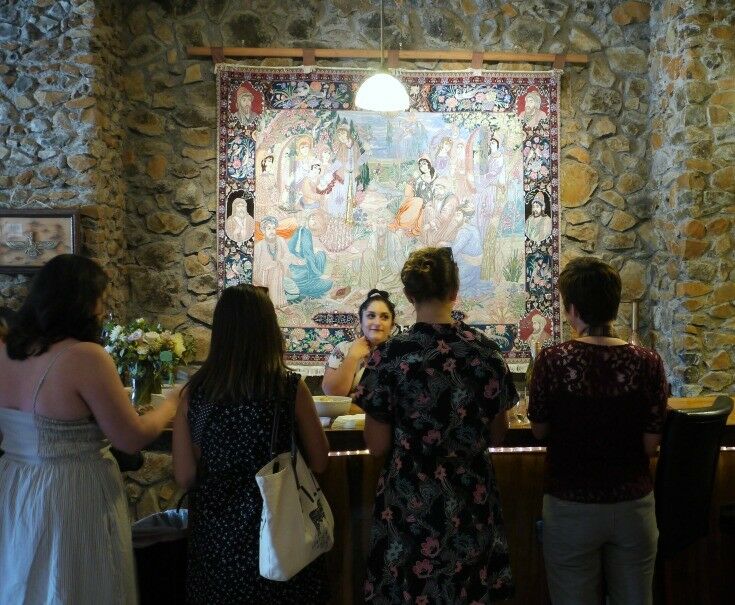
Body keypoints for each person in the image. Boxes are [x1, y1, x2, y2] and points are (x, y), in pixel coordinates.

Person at [0, 254, 177, 604]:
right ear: (80, 302)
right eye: (100, 299)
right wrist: (169, 405)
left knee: (27, 581)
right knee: (77, 581)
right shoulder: (84, 357)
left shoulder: (7, 352)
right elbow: (130, 436)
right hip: (71, 489)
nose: (102, 309)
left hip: (17, 484)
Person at [355, 247, 518, 603]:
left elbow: (378, 445)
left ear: (410, 296)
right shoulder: (485, 352)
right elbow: (498, 433)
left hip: (409, 502)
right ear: (455, 291)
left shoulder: (388, 357)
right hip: (470, 499)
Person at [172, 284, 330, 604]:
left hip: (216, 540)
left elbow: (185, 476)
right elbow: (320, 460)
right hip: (278, 534)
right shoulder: (289, 388)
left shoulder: (196, 393)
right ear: (268, 330)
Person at [527, 257, 668, 605]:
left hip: (570, 504)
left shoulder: (552, 360)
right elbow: (651, 444)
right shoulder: (649, 362)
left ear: (572, 308)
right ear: (614, 304)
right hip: (633, 506)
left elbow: (540, 430)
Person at [322, 289, 396, 400]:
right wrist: (352, 357)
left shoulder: (399, 352)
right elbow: (332, 393)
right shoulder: (344, 348)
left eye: (384, 317)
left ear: (392, 324)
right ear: (361, 321)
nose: (377, 323)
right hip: (344, 416)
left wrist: (355, 399)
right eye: (371, 316)